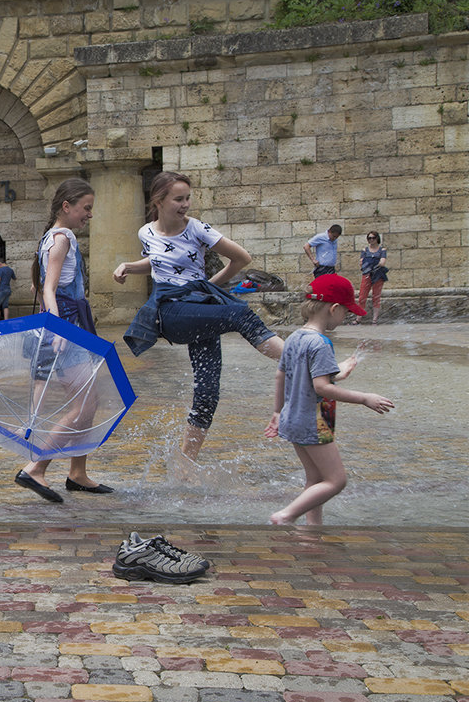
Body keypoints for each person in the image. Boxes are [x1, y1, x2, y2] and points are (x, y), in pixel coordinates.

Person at [114, 171, 285, 461]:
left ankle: (185, 461)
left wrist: (209, 286)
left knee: (207, 393)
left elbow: (242, 259)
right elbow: (158, 263)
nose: (185, 205)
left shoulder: (197, 229)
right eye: (178, 199)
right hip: (169, 310)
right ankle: (302, 357)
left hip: (199, 308)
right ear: (159, 200)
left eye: (187, 198)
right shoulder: (146, 232)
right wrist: (129, 266)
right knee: (240, 314)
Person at [265, 274, 394, 525]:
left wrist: (278, 412)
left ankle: (313, 531)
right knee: (336, 480)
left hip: (292, 417)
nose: (345, 317)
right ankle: (286, 515)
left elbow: (281, 375)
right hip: (315, 422)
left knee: (316, 479)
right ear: (334, 309)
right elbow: (322, 387)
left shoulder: (293, 338)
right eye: (345, 311)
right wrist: (364, 398)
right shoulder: (321, 343)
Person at [13, 178, 109, 504]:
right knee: (83, 405)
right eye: (86, 208)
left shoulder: (50, 239)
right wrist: (57, 331)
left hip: (70, 327)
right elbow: (50, 289)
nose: (89, 215)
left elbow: (40, 287)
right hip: (67, 329)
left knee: (87, 403)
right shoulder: (61, 238)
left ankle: (77, 472)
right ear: (66, 207)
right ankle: (36, 468)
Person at [356, 231, 387, 325]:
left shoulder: (382, 250)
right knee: (362, 296)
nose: (371, 240)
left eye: (373, 238)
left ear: (377, 238)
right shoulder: (365, 250)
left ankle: (374, 320)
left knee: (376, 296)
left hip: (377, 274)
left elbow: (382, 262)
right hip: (367, 274)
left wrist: (370, 263)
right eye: (369, 238)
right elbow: (361, 262)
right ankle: (358, 318)